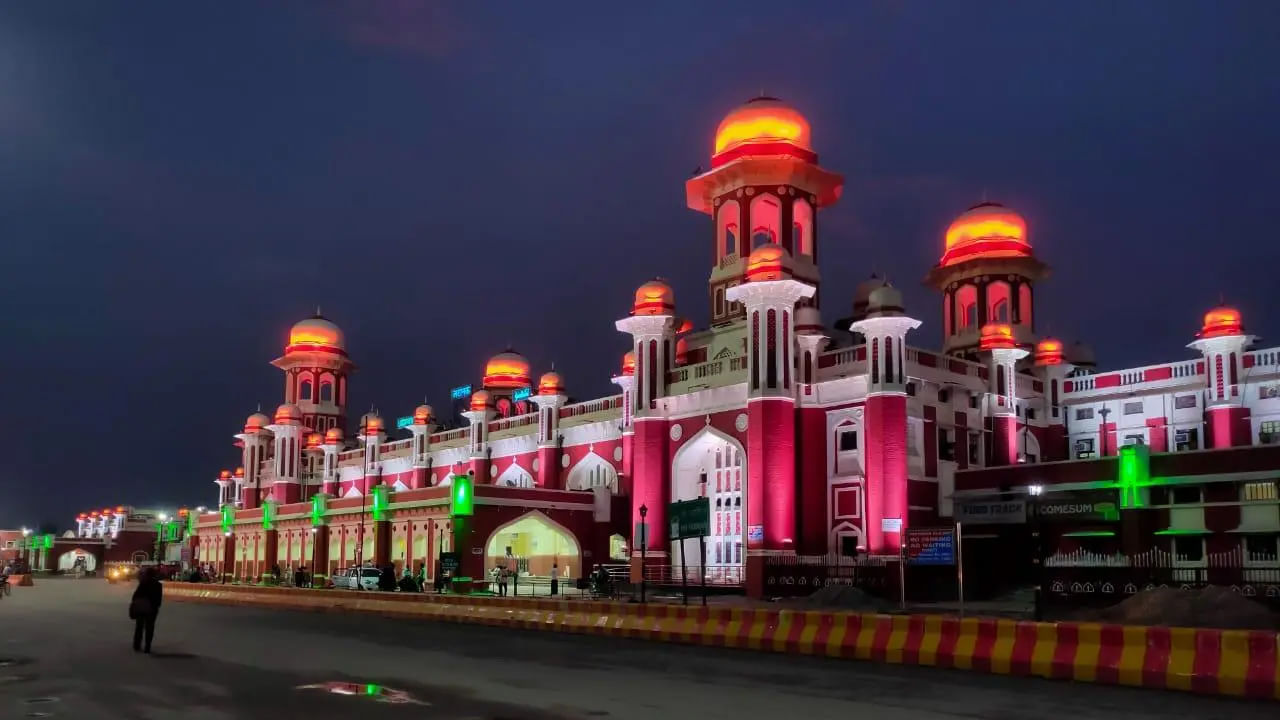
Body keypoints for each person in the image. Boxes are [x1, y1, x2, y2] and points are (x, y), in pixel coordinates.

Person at [130, 567, 163, 653]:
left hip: (141, 608)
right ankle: (147, 647)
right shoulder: (158, 585)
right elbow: (159, 599)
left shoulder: (143, 583)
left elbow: (136, 596)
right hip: (152, 609)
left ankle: (137, 645)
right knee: (150, 628)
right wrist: (155, 607)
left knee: (139, 627)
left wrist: (135, 604)